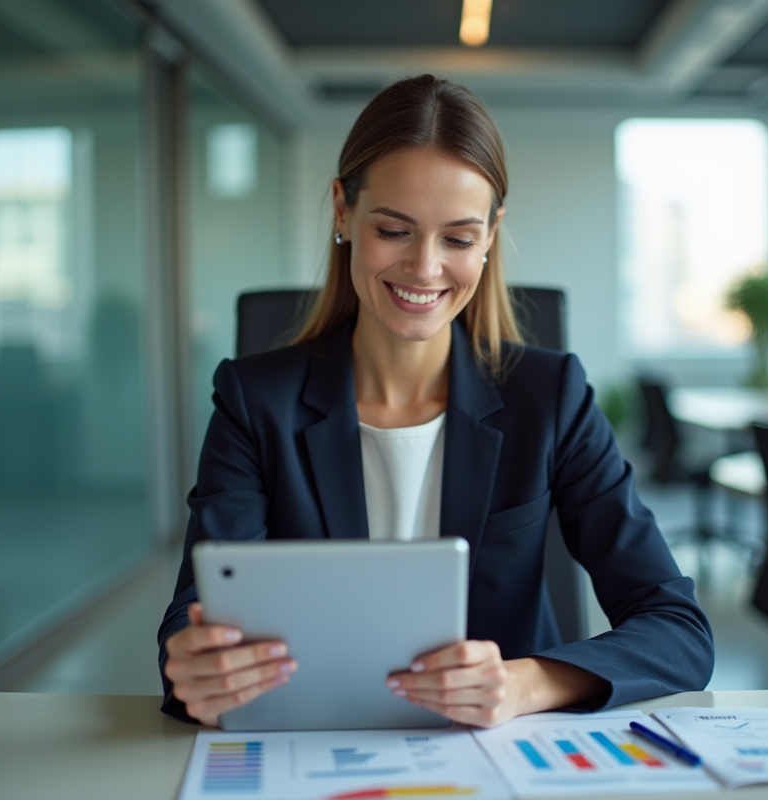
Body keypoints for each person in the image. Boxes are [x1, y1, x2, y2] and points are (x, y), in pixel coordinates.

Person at [158, 75, 713, 729]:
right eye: (394, 230)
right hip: (307, 747)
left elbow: (679, 630)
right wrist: (192, 666)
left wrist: (525, 683)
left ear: (490, 236)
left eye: (456, 238)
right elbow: (192, 623)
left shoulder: (550, 397)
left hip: (499, 757)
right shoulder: (255, 402)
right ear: (342, 211)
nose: (424, 268)